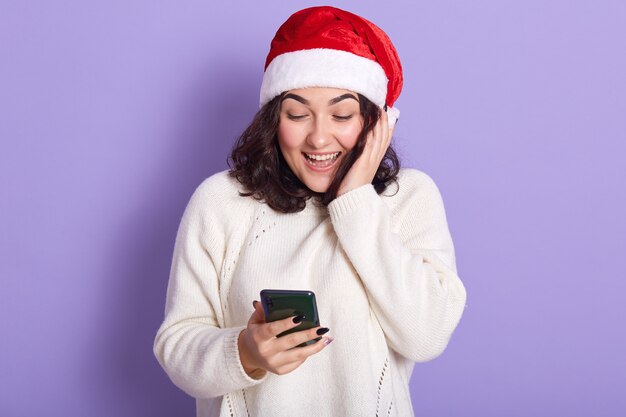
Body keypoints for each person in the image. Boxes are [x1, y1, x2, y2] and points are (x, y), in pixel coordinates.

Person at [153, 5, 467, 417]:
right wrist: (245, 351)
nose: (319, 137)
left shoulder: (408, 198)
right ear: (273, 119)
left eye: (341, 114)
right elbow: (176, 346)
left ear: (374, 123)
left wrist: (354, 201)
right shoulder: (221, 202)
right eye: (297, 114)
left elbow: (427, 335)